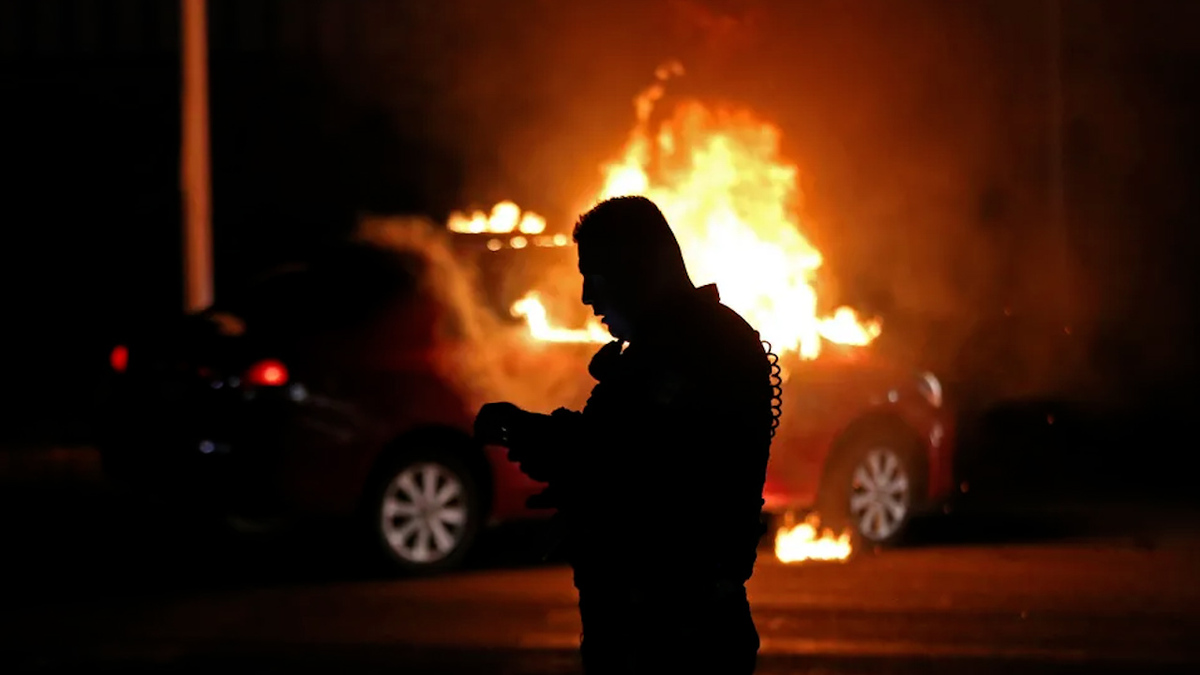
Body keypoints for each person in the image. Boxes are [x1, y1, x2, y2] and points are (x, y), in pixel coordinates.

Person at [474, 195, 782, 674]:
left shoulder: (690, 351)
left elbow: (635, 462)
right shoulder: (685, 343)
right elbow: (622, 446)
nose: (585, 297)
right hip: (661, 622)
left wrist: (544, 442)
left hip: (672, 634)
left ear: (636, 270)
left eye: (594, 276)